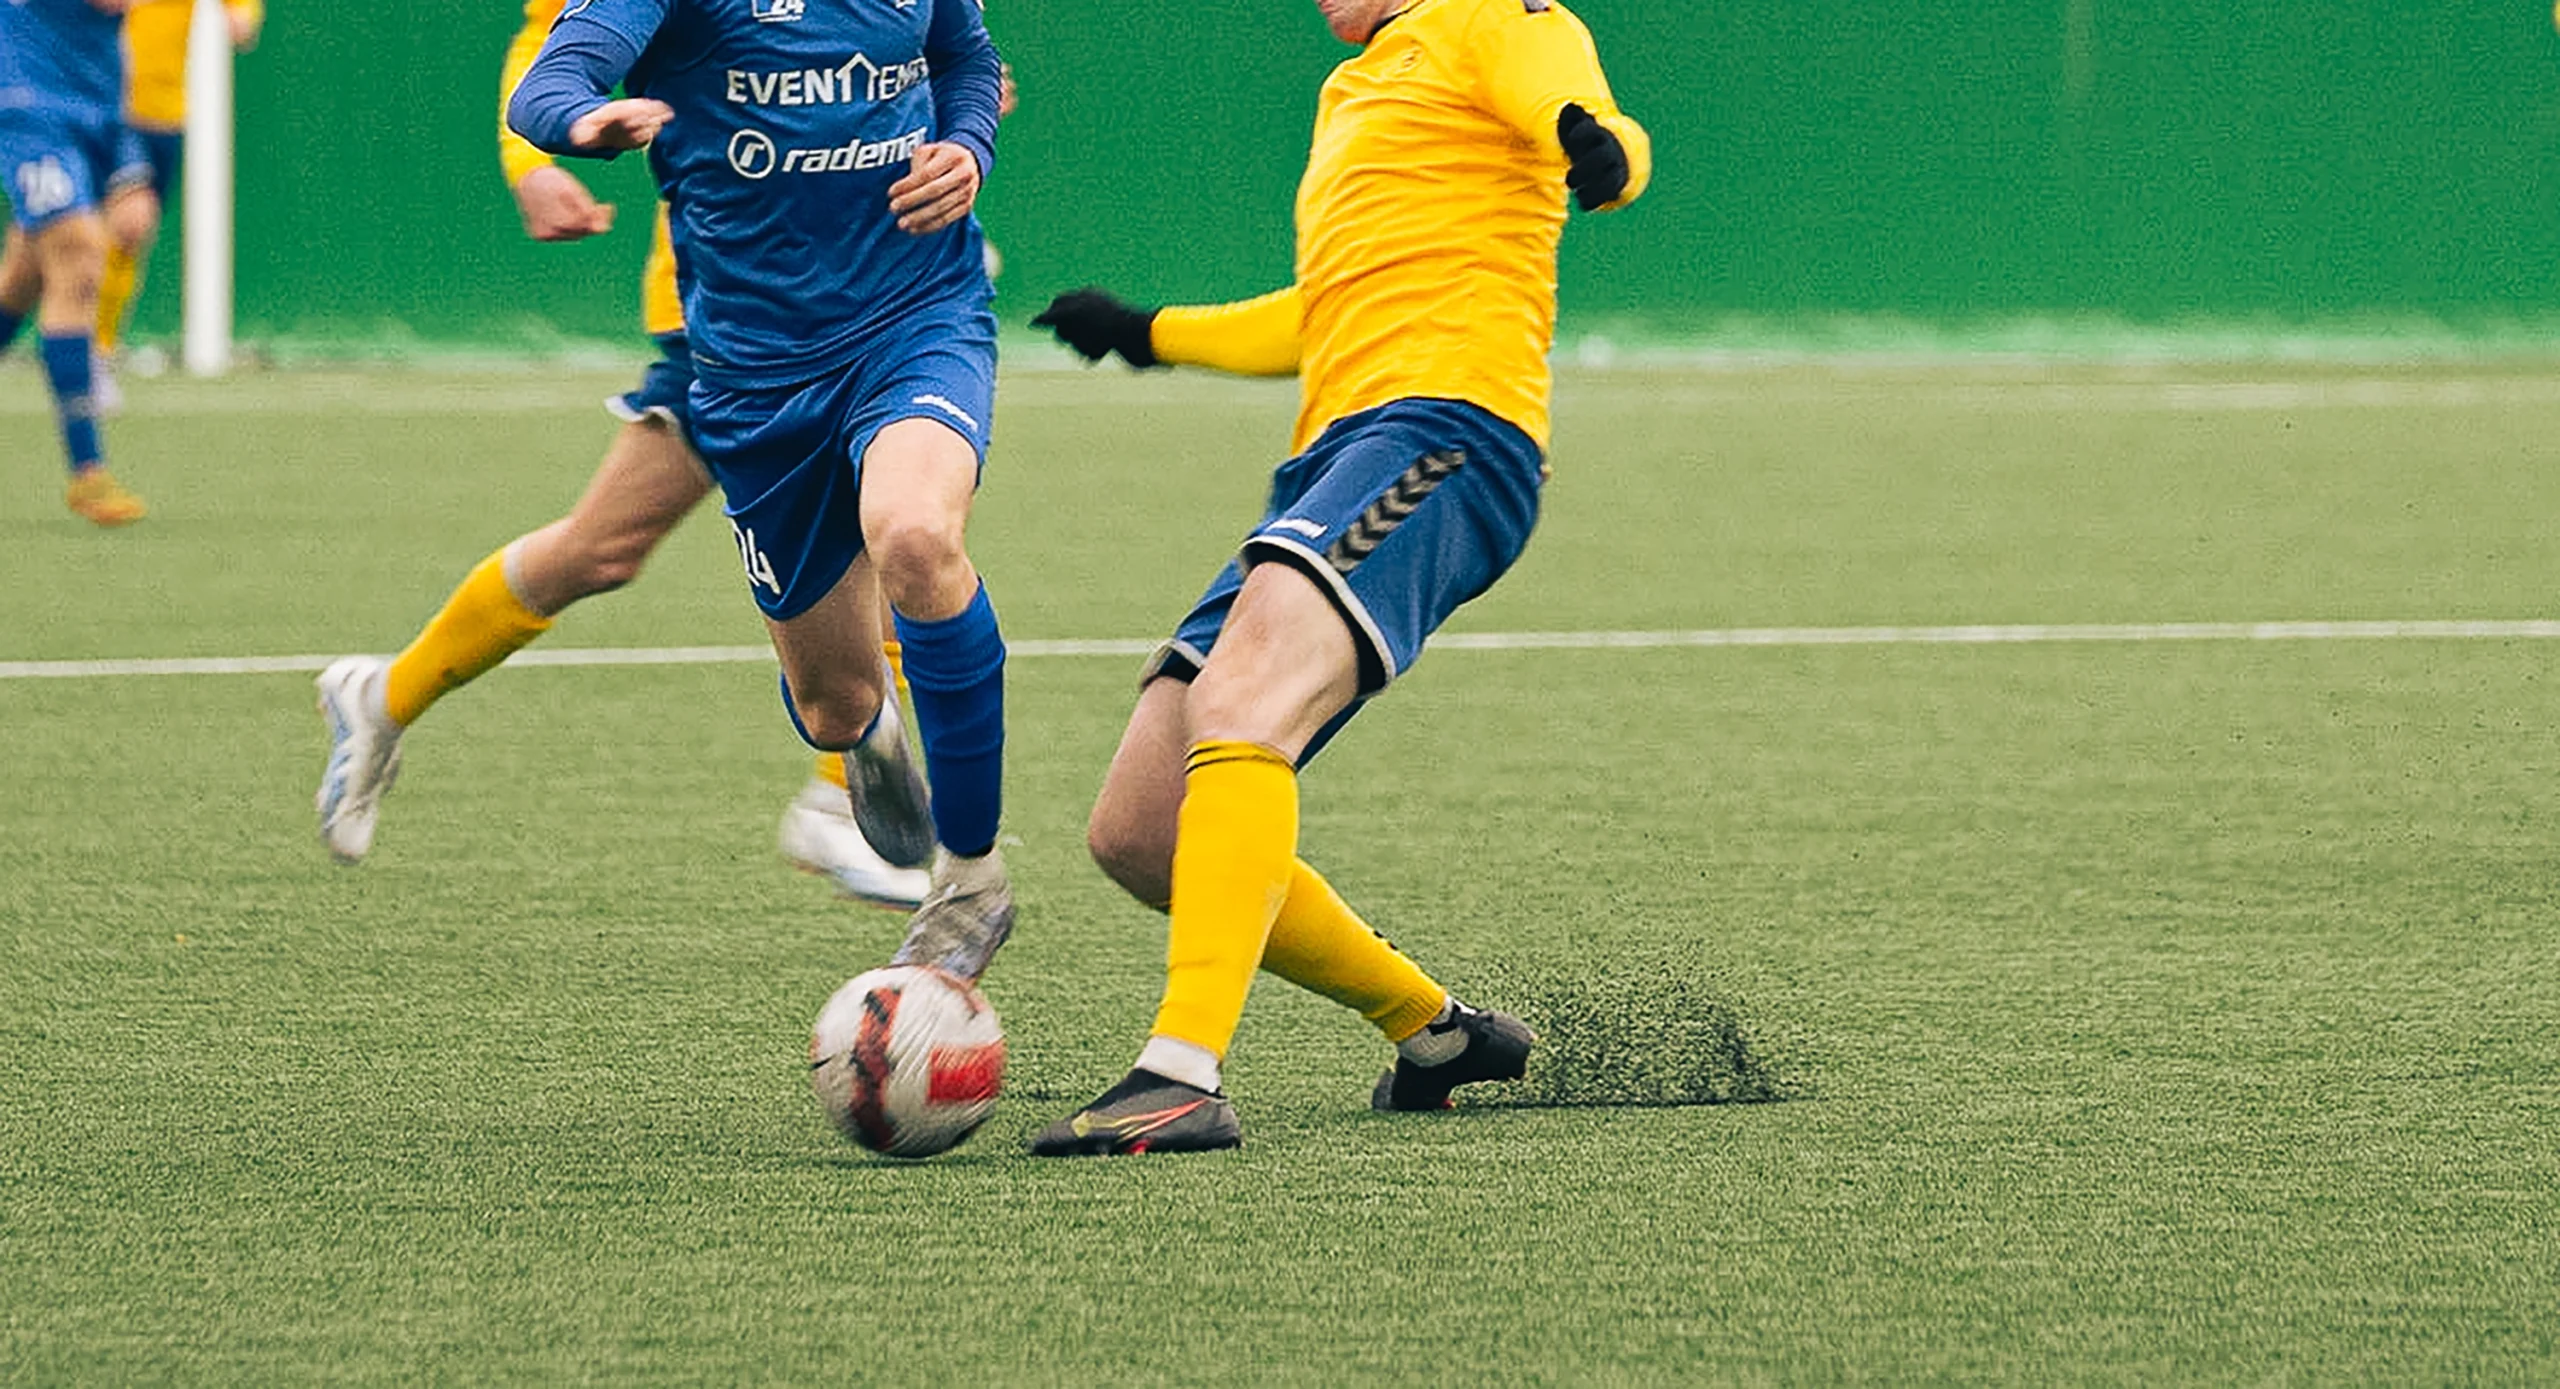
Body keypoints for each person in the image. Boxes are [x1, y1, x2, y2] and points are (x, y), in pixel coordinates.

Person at [1026, 0, 1651, 1155]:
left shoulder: (1490, 17)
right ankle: (1437, 1033)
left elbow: (1584, 114)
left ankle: (1180, 1074)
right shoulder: (1358, 88)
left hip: (1448, 435)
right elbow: (1324, 318)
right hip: (1336, 458)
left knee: (1240, 701)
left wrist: (1597, 149)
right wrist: (1147, 332)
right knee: (1141, 829)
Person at [309, 0, 936, 912]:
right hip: (742, 301)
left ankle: (838, 799)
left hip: (866, 289)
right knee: (609, 548)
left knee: (886, 518)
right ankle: (384, 696)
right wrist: (534, 159)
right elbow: (552, 36)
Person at [507, 0, 1016, 979]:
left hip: (918, 313)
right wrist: (585, 121)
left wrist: (966, 147)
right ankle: (868, 740)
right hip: (753, 374)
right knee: (833, 705)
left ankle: (971, 880)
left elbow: (964, 56)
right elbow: (546, 85)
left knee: (914, 533)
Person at [0, 0, 152, 526]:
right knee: (79, 252)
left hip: (94, 100)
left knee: (23, 278)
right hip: (27, 101)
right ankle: (88, 470)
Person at [87, 0, 263, 410]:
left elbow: (243, 15)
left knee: (130, 239)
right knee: (113, 227)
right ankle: (85, 351)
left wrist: (243, 16)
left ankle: (98, 350)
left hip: (165, 115)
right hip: (110, 107)